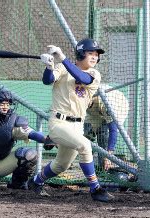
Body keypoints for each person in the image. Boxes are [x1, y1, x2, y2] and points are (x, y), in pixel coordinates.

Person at [28, 38, 114, 202]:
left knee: (61, 165)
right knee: (85, 145)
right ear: (81, 53)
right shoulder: (61, 68)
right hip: (59, 123)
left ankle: (35, 182)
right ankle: (95, 189)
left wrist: (62, 57)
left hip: (77, 125)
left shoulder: (94, 74)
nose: (95, 57)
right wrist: (49, 66)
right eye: (91, 53)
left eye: (96, 54)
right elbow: (47, 81)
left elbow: (82, 77)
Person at [84, 84, 129, 171]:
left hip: (119, 105)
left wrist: (108, 156)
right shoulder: (81, 98)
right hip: (94, 107)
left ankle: (105, 164)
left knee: (103, 133)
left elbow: (113, 130)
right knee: (87, 132)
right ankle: (88, 161)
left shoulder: (108, 103)